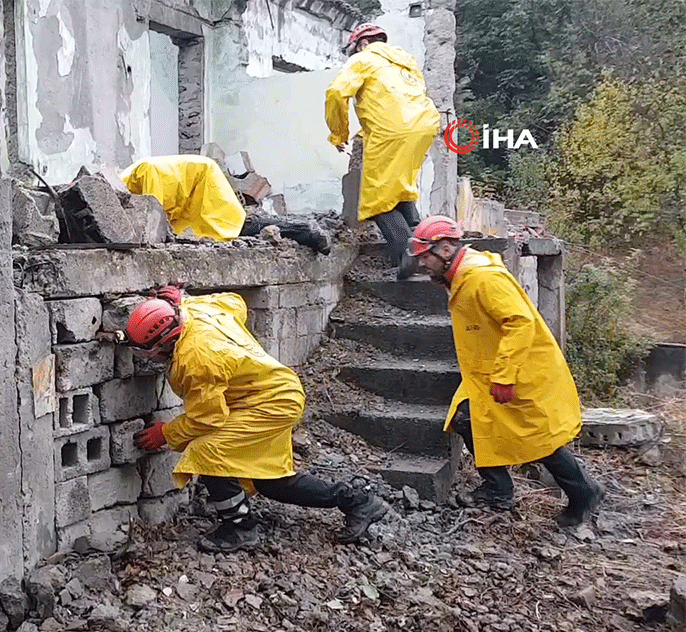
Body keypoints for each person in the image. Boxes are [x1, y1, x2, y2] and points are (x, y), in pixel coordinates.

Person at [123, 287, 390, 552]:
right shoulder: (195, 309)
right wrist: (184, 298)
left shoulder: (197, 358)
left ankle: (239, 528)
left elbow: (206, 418)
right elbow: (235, 302)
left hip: (269, 403)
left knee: (207, 451)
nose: (147, 358)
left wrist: (167, 433)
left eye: (148, 352)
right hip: (272, 391)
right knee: (269, 480)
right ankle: (357, 501)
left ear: (167, 342)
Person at [406, 215, 605, 526]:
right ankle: (498, 490)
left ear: (445, 250)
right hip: (487, 371)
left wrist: (504, 375)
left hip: (518, 370)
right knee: (466, 419)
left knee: (540, 440)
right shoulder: (459, 274)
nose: (420, 265)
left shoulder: (482, 278)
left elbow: (520, 322)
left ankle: (585, 494)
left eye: (423, 258)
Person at [325, 22, 441, 281]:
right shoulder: (405, 61)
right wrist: (367, 130)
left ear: (363, 43)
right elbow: (395, 99)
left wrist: (339, 133)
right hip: (422, 127)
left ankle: (407, 255)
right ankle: (430, 255)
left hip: (393, 131)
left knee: (377, 202)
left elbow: (336, 93)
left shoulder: (364, 58)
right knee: (400, 190)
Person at [120, 155, 247, 241]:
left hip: (189, 178)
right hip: (185, 178)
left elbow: (153, 218)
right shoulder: (144, 172)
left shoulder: (142, 173)